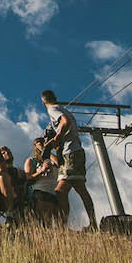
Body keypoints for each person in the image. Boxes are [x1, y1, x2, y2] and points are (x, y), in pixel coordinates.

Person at [40, 90, 96, 229]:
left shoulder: (53, 109)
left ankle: (63, 226)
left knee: (60, 191)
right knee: (80, 189)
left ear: (43, 102)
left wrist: (56, 138)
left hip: (70, 153)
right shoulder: (62, 108)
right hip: (76, 152)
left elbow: (65, 121)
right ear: (56, 97)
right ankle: (93, 224)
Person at [23, 138, 66, 226]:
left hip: (55, 193)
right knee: (44, 222)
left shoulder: (52, 159)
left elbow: (59, 163)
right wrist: (41, 171)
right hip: (41, 192)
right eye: (40, 144)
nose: (43, 145)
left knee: (58, 223)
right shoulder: (31, 160)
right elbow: (28, 178)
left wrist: (45, 150)